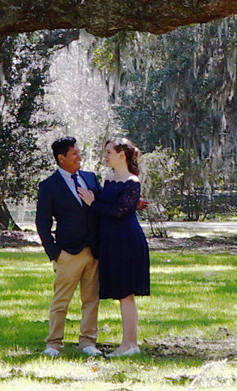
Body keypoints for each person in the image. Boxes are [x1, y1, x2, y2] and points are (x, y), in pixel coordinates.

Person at [78, 137, 151, 358]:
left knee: (126, 294)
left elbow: (119, 212)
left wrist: (93, 203)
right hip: (112, 242)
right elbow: (108, 208)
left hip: (127, 242)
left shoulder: (132, 181)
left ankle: (130, 344)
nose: (106, 155)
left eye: (109, 151)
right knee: (121, 294)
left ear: (121, 155)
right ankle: (129, 343)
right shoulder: (110, 181)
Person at [35, 137, 103, 357]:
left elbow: (103, 208)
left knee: (91, 300)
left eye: (78, 153)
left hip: (93, 251)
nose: (79, 157)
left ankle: (88, 342)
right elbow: (42, 223)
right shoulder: (49, 186)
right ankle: (53, 344)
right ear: (61, 158)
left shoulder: (90, 179)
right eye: (73, 154)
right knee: (60, 302)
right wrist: (54, 253)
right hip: (67, 253)